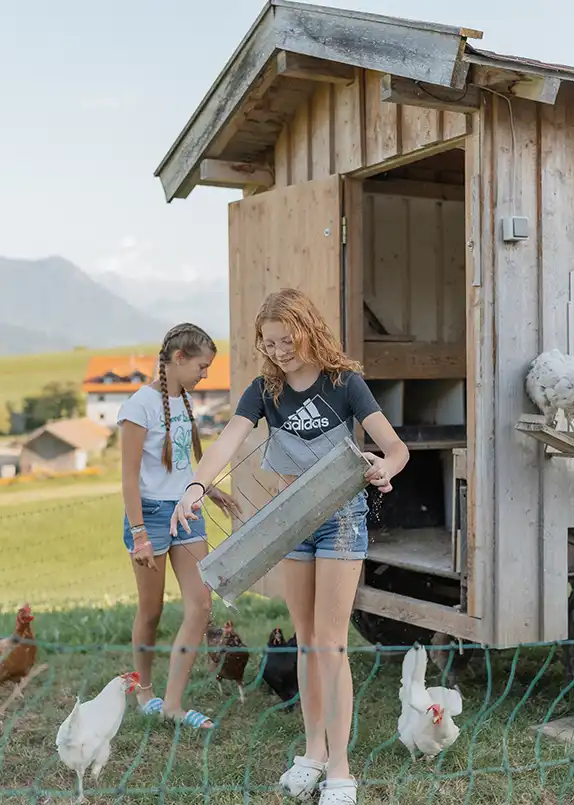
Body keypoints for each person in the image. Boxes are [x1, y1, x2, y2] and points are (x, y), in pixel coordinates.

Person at [169, 288, 408, 805]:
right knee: (304, 640)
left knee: (329, 641)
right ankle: (312, 753)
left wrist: (384, 467)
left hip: (342, 518)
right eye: (268, 342)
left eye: (286, 340)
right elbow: (228, 442)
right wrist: (194, 486)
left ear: (308, 331)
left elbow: (395, 447)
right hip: (291, 520)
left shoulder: (344, 385)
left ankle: (341, 771)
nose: (278, 351)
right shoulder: (264, 391)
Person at [117, 322, 241, 731]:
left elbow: (185, 462)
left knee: (201, 605)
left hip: (186, 512)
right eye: (202, 367)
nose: (205, 375)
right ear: (179, 358)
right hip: (149, 517)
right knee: (150, 611)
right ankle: (144, 691)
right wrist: (138, 534)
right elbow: (129, 478)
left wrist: (209, 491)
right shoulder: (139, 406)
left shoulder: (185, 402)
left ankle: (172, 705)